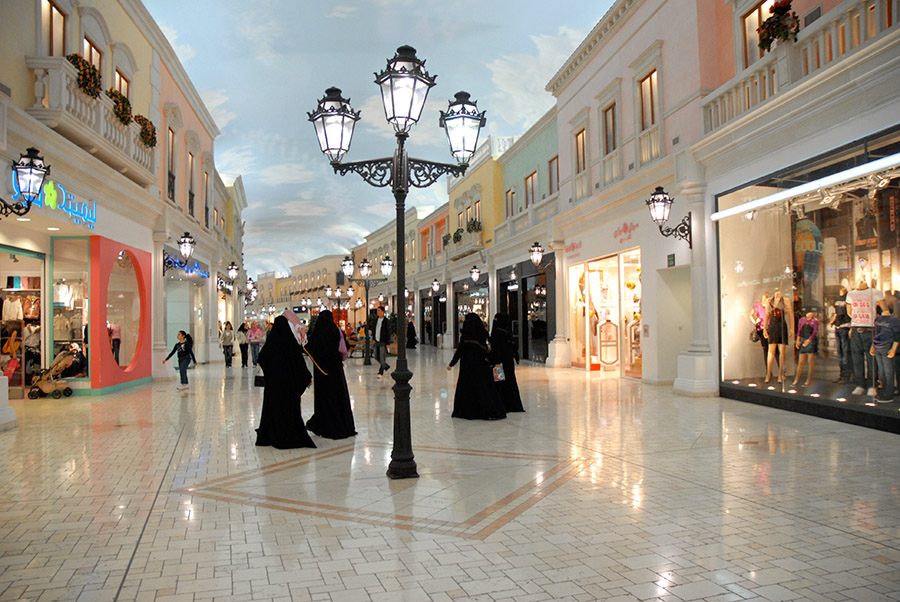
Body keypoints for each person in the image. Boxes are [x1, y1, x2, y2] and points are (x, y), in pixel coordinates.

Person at [254, 315, 316, 449]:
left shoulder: (271, 344)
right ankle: (289, 433)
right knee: (289, 411)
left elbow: (262, 359)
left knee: (273, 410)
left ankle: (272, 433)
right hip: (289, 388)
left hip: (273, 388)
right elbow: (300, 364)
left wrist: (271, 373)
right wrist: (307, 377)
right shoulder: (290, 344)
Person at [304, 310, 357, 439]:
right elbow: (344, 347)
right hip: (336, 371)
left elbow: (308, 348)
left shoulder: (319, 333)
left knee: (325, 398)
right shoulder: (335, 331)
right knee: (338, 397)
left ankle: (325, 424)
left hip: (323, 373)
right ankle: (342, 424)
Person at [448, 313, 506, 420]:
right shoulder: (481, 335)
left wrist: (452, 363)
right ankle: (487, 411)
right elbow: (485, 351)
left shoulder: (466, 336)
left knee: (468, 390)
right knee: (483, 389)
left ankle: (468, 411)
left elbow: (460, 351)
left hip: (467, 368)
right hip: (480, 367)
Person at [847, 278, 883, 396]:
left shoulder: (875, 292)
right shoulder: (851, 294)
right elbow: (849, 311)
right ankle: (860, 384)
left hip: (870, 328)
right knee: (857, 358)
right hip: (857, 327)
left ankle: (872, 385)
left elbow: (884, 309)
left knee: (871, 358)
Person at [489, 312, 524, 412]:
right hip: (508, 363)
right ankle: (512, 404)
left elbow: (496, 350)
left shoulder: (497, 333)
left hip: (498, 363)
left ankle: (500, 405)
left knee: (499, 383)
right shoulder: (507, 333)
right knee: (509, 381)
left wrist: (491, 360)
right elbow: (513, 348)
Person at [869, 300, 900, 403]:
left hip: (887, 346)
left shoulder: (894, 320)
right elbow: (875, 333)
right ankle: (883, 392)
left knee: (888, 371)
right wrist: (873, 346)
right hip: (878, 346)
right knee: (882, 371)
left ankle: (888, 394)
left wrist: (893, 349)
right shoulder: (877, 319)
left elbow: (897, 335)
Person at [763, 291, 792, 383]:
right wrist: (764, 328)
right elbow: (767, 315)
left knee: (782, 351)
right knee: (771, 351)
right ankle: (768, 374)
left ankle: (780, 374)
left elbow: (790, 315)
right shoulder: (769, 300)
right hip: (772, 326)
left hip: (781, 325)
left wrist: (792, 328)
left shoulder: (785, 300)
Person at [830, 287, 852, 383]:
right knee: (840, 353)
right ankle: (842, 374)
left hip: (845, 326)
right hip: (838, 326)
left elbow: (850, 313)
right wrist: (833, 321)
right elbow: (836, 312)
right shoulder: (837, 298)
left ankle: (846, 375)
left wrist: (851, 326)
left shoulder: (849, 297)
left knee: (845, 352)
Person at [793, 311, 819, 386]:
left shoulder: (815, 321)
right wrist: (798, 340)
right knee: (801, 362)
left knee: (810, 361)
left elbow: (815, 332)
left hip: (810, 340)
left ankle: (809, 380)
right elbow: (799, 331)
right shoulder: (802, 320)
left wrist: (809, 340)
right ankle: (796, 379)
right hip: (803, 339)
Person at [371, 306, 391, 378]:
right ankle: (386, 366)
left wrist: (388, 342)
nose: (377, 312)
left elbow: (388, 332)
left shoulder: (386, 321)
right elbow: (374, 329)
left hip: (383, 341)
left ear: (383, 312)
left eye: (379, 311)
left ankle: (381, 372)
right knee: (376, 356)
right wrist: (373, 338)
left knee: (382, 357)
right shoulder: (376, 320)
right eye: (377, 311)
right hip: (377, 340)